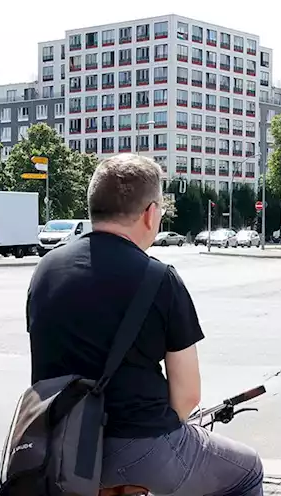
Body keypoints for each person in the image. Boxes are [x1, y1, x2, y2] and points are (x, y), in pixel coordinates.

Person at [26, 154, 264, 496]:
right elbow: (187, 395)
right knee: (247, 470)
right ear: (151, 214)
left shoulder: (46, 270)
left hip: (58, 448)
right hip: (140, 447)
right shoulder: (160, 279)